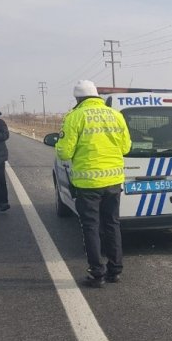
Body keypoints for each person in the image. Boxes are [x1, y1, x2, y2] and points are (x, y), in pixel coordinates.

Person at [56, 80, 132, 287]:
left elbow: (64, 152)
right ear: (96, 95)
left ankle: (97, 274)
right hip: (114, 180)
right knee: (112, 225)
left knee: (91, 227)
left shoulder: (75, 117)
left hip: (88, 182)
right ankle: (115, 271)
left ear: (78, 98)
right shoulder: (116, 115)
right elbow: (126, 147)